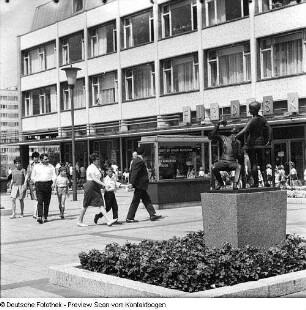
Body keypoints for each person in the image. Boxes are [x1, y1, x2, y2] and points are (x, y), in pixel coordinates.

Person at [235, 101, 272, 188]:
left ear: (253, 110)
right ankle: (265, 181)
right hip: (261, 143)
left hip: (251, 144)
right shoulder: (262, 119)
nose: (249, 111)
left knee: (254, 164)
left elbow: (244, 130)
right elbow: (269, 128)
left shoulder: (252, 120)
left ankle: (256, 183)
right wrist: (269, 139)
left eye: (250, 109)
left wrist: (235, 136)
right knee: (262, 163)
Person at [77, 153, 118, 227]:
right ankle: (80, 220)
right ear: (93, 160)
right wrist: (104, 184)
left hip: (96, 187)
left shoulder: (97, 167)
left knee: (100, 203)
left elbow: (100, 177)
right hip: (90, 186)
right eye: (97, 159)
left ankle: (108, 220)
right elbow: (94, 178)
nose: (98, 161)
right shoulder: (91, 168)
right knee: (86, 204)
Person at [126, 146, 162, 222]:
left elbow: (132, 172)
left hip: (140, 185)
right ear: (143, 153)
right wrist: (131, 183)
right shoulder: (139, 161)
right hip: (140, 185)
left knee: (146, 199)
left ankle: (152, 215)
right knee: (136, 201)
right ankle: (129, 217)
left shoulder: (135, 160)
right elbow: (134, 173)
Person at [208, 120, 241, 190]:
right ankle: (220, 183)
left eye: (236, 134)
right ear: (231, 133)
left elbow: (239, 155)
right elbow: (213, 135)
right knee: (213, 167)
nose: (235, 135)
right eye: (234, 134)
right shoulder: (224, 138)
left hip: (232, 162)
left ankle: (235, 184)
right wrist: (218, 124)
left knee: (239, 166)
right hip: (223, 161)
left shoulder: (238, 142)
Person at [31, 153, 56, 224]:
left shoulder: (51, 166)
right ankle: (39, 216)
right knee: (40, 201)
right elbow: (33, 176)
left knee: (47, 202)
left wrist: (53, 183)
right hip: (39, 185)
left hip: (48, 184)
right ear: (41, 160)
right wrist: (35, 182)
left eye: (48, 159)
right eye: (45, 159)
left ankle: (45, 217)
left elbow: (54, 176)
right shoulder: (36, 167)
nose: (47, 160)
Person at [26, 152, 40, 218]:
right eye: (35, 157)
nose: (36, 158)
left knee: (38, 198)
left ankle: (36, 212)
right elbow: (27, 174)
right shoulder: (30, 166)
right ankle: (35, 213)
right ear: (33, 158)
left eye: (37, 157)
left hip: (40, 183)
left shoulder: (41, 165)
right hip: (32, 184)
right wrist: (25, 182)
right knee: (36, 198)